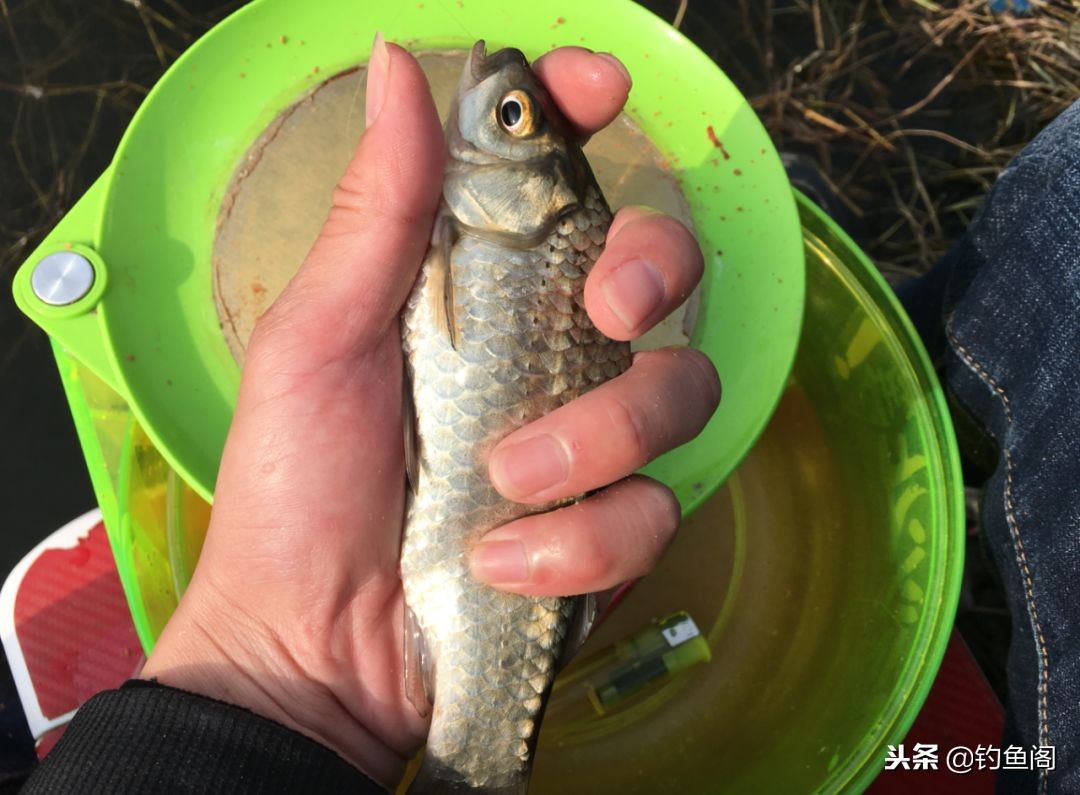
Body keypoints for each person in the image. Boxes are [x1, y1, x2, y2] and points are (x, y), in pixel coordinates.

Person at [21, 41, 718, 793]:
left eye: (509, 118)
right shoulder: (495, 224)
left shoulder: (510, 229)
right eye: (512, 115)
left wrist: (290, 688)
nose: (488, 102)